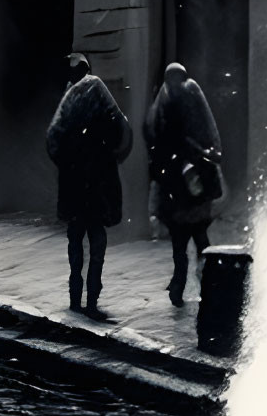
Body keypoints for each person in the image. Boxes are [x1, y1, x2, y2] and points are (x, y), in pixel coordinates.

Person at [46, 53, 134, 319]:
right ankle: (92, 296)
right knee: (96, 238)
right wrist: (110, 156)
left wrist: (67, 163)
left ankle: (75, 295)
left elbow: (53, 140)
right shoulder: (100, 95)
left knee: (76, 238)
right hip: (98, 182)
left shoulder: (68, 101)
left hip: (75, 182)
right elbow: (121, 131)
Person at [144, 63, 224, 308]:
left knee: (184, 244)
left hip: (180, 188)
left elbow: (158, 142)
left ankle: (181, 287)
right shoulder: (187, 99)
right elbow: (202, 139)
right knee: (198, 240)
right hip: (190, 187)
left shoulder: (168, 105)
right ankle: (207, 286)